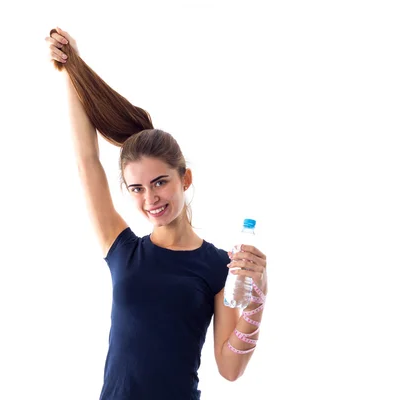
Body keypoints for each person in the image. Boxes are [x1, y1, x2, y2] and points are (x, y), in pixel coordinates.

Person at [46, 26, 268, 400]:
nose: (151, 198)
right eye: (137, 188)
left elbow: (230, 369)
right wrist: (72, 70)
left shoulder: (219, 266)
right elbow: (87, 161)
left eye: (160, 182)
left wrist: (258, 296)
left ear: (186, 178)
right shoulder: (123, 250)